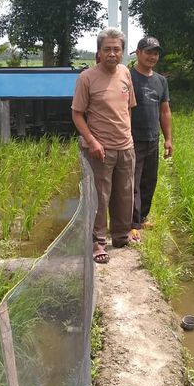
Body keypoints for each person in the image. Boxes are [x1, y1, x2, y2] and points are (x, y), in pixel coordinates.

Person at [72, 27, 137, 264]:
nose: (112, 53)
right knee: (100, 196)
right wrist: (92, 142)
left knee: (125, 193)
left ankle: (121, 235)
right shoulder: (87, 78)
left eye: (116, 49)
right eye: (107, 49)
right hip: (100, 149)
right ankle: (97, 241)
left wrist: (128, 138)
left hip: (125, 146)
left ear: (122, 52)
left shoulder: (125, 74)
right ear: (99, 52)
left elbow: (128, 108)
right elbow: (77, 115)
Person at [129, 36, 173, 241]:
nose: (152, 56)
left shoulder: (160, 81)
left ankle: (143, 216)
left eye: (155, 53)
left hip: (152, 139)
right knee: (132, 182)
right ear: (137, 53)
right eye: (148, 52)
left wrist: (168, 139)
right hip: (132, 139)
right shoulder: (128, 77)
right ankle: (131, 223)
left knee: (149, 180)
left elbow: (165, 112)